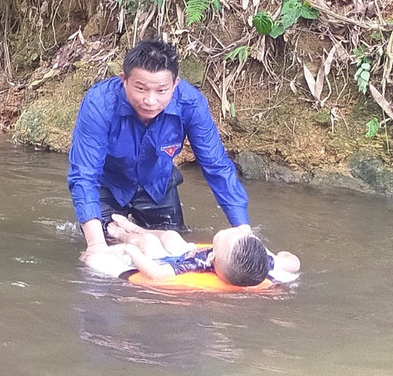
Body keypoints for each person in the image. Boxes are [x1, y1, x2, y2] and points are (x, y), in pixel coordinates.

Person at [67, 39, 251, 263]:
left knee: (174, 242)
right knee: (110, 240)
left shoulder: (191, 104)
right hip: (110, 184)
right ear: (124, 80)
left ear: (175, 85)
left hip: (158, 184)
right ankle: (122, 232)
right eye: (141, 88)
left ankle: (134, 232)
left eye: (162, 90)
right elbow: (84, 174)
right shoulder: (99, 103)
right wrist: (96, 245)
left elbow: (217, 167)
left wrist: (244, 232)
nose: (150, 100)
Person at [106, 213, 300, 286]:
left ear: (213, 255)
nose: (238, 228)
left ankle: (124, 234)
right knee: (171, 236)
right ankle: (137, 228)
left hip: (175, 259)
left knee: (148, 241)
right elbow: (294, 263)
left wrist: (131, 250)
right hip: (187, 250)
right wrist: (278, 255)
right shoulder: (264, 262)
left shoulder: (198, 263)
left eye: (231, 233)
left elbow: (155, 273)